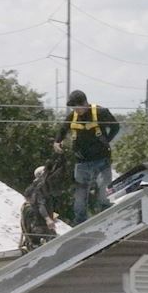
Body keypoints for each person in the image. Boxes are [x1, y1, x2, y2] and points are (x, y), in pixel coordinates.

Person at [52, 90, 121, 223]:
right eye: (73, 108)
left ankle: (106, 217)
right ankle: (80, 222)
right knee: (80, 195)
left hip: (101, 159)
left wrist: (107, 140)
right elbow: (62, 130)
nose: (75, 110)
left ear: (84, 103)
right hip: (82, 161)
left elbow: (115, 127)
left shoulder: (100, 112)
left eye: (77, 107)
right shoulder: (73, 116)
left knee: (103, 190)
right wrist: (57, 142)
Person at [18, 163, 59, 253]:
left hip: (41, 226)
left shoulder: (40, 187)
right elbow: (41, 205)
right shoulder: (39, 188)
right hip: (40, 227)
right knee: (54, 243)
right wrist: (48, 219)